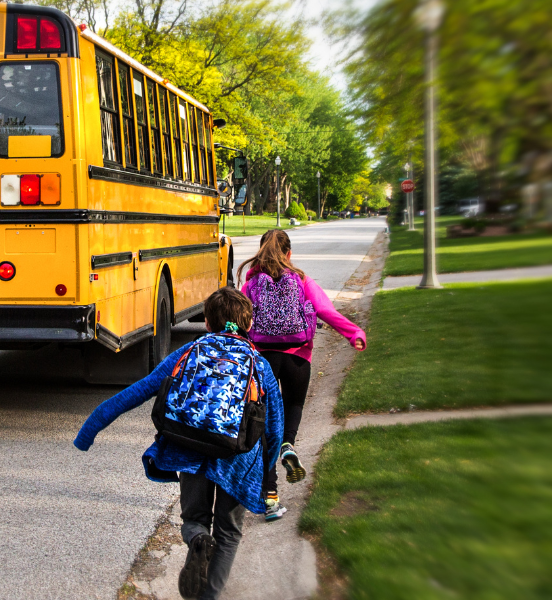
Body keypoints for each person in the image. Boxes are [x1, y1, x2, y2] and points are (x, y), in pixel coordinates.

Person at [74, 287, 284, 600]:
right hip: (236, 460)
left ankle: (198, 539)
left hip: (190, 449)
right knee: (229, 533)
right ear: (249, 324)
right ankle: (208, 596)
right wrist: (270, 481)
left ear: (207, 324)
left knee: (194, 520)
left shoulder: (187, 352)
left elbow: (137, 391)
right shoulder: (260, 365)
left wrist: (89, 430)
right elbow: (275, 428)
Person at [237, 229, 366, 520]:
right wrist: (353, 333)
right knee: (293, 405)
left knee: (263, 429)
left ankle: (270, 499)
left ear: (260, 252)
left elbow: (237, 321)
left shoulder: (251, 283)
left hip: (263, 360)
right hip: (298, 358)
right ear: (289, 254)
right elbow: (325, 310)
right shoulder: (303, 280)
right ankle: (289, 445)